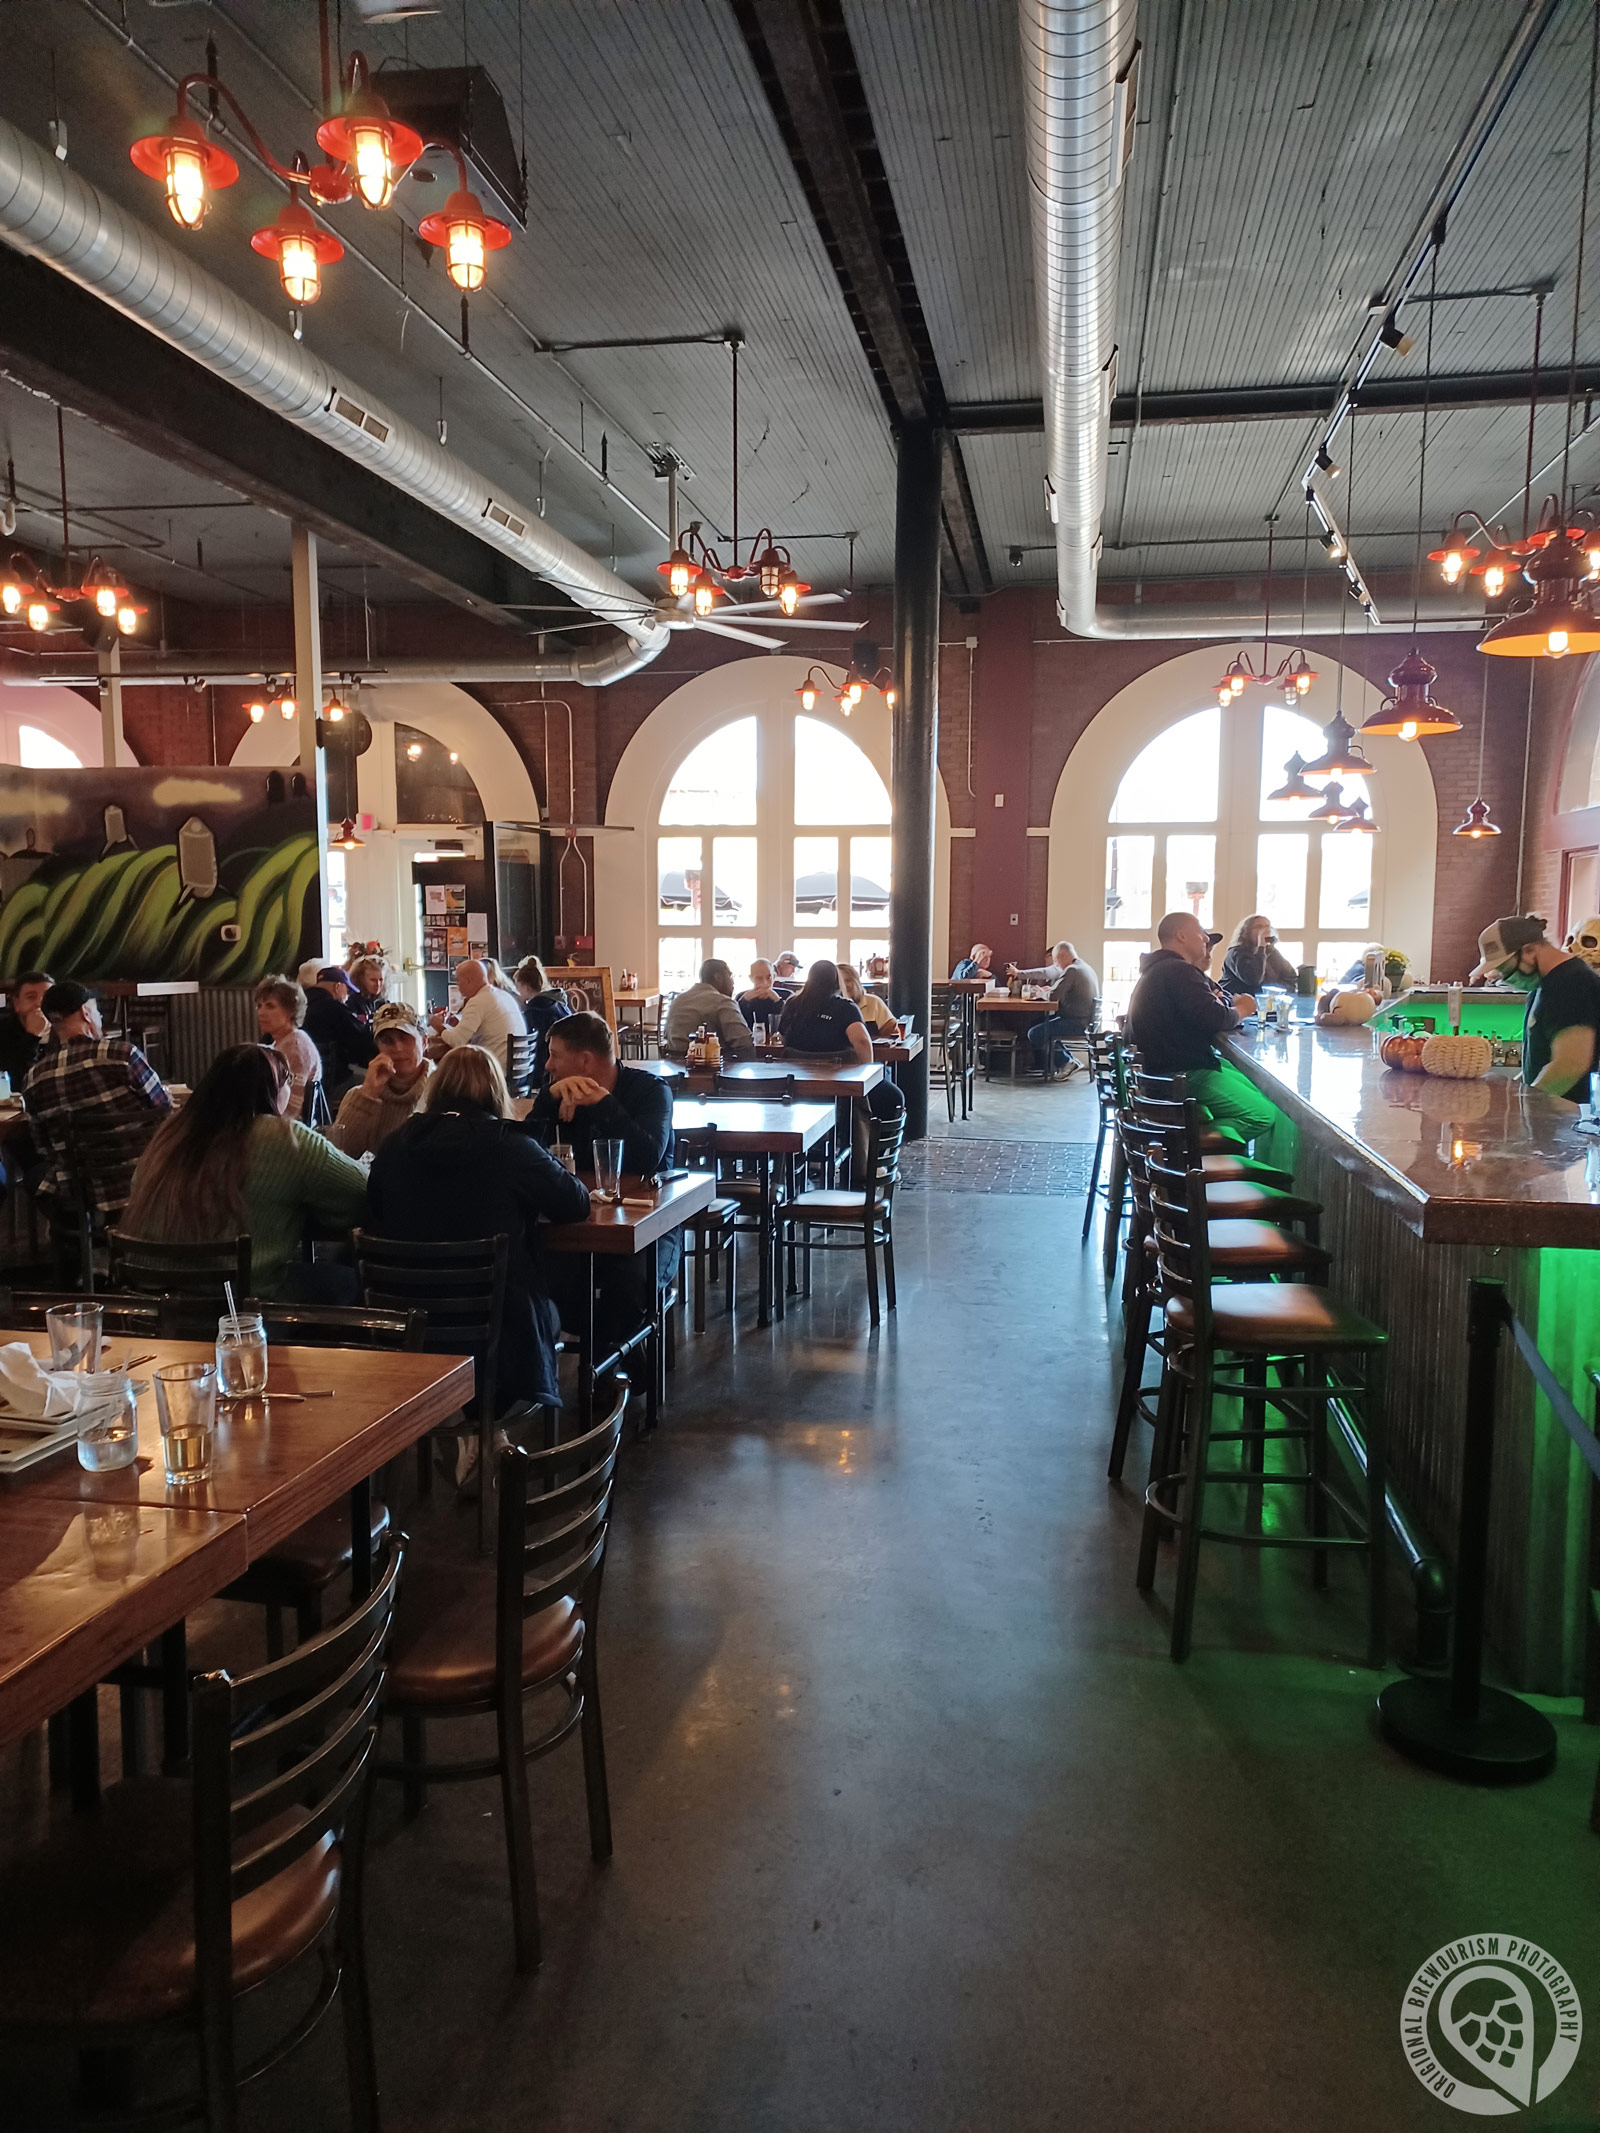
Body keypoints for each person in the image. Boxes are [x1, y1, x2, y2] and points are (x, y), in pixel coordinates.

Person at [367, 1046, 589, 1410]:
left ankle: (451, 1420)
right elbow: (575, 1202)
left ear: (436, 1090)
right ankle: (482, 1426)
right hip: (496, 1333)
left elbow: (374, 1211)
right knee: (550, 1310)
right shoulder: (511, 1146)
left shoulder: (395, 1144)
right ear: (495, 1091)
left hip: (404, 1325)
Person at [124, 1043, 367, 1300]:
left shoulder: (171, 1133)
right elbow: (365, 1193)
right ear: (273, 1088)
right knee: (349, 1279)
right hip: (242, 1311)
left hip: (153, 1307)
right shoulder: (285, 1138)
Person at [527, 1012, 675, 1347]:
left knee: (628, 1284)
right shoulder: (555, 1093)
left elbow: (647, 1158)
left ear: (585, 1060)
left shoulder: (651, 1091)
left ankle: (601, 1367)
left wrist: (604, 1104)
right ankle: (614, 1351)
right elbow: (526, 1153)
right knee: (539, 1274)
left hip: (650, 1229)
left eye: (555, 1055)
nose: (548, 1065)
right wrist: (548, 1102)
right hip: (575, 1226)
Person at [23, 980, 172, 1232]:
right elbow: (164, 1109)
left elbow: (43, 1146)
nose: (100, 1016)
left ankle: (86, 1251)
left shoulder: (35, 1078)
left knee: (37, 1178)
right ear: (85, 1012)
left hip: (82, 1189)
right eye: (97, 1010)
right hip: (145, 1177)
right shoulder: (124, 1055)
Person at [1125, 911, 1279, 1144]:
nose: (1206, 939)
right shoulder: (1178, 971)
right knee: (1261, 1115)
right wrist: (1243, 1010)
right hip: (1180, 1073)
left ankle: (1187, 1144)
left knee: (1262, 1093)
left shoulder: (1163, 969)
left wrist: (1226, 1005)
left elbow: (1219, 999)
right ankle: (1180, 1146)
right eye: (1200, 933)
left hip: (1165, 1070)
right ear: (1182, 936)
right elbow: (1216, 1016)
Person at [1473, 913, 1600, 1102]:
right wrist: (1518, 1091)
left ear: (1529, 950)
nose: (1507, 979)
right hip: (1552, 1118)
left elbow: (1570, 1065)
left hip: (1570, 1122)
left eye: (1506, 970)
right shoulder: (1541, 985)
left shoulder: (1572, 983)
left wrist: (1527, 1103)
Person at [330, 1001, 435, 1158]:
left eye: (405, 1038)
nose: (397, 1048)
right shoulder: (357, 1096)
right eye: (387, 1041)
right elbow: (339, 1157)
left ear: (425, 1041)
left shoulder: (441, 1093)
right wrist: (367, 1095)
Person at [429, 956, 526, 1073]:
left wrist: (437, 1025)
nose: (457, 986)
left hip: (495, 1072)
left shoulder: (478, 1001)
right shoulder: (503, 995)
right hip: (518, 1070)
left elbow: (457, 1041)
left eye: (458, 981)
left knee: (445, 1073)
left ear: (469, 981)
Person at [1018, 943, 1099, 1075]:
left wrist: (1040, 993)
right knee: (1035, 1024)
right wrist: (1049, 990)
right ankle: (1061, 1062)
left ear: (1063, 956)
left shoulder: (1071, 970)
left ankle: (1067, 1062)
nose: (1056, 965)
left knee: (1034, 1033)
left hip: (1076, 1022)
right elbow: (1061, 990)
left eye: (1056, 960)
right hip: (1085, 1020)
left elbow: (1054, 996)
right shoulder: (1084, 967)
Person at [255, 975, 323, 1120]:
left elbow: (293, 1109)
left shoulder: (295, 1046)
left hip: (289, 1131)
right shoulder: (280, 1042)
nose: (261, 1012)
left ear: (290, 1010)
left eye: (270, 1006)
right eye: (259, 1006)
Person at [777, 960, 874, 1061]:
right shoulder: (846, 1008)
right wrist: (868, 1072)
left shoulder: (792, 1004)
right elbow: (862, 1041)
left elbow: (783, 1038)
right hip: (838, 1074)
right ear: (837, 981)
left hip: (798, 1074)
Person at [301, 965, 377, 1094]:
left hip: (300, 1083)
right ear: (337, 987)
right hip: (331, 1084)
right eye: (347, 992)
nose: (347, 997)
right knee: (379, 1083)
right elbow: (363, 1045)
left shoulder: (298, 1005)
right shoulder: (335, 1009)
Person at [664, 958, 756, 1058]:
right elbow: (744, 1043)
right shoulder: (722, 1001)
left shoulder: (678, 1000)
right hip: (709, 1068)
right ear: (718, 977)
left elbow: (666, 1035)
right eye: (730, 976)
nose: (733, 982)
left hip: (674, 1066)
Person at [513, 955, 572, 1082]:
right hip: (569, 1066)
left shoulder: (534, 1013)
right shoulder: (559, 1003)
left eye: (518, 987)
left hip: (545, 1074)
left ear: (526, 987)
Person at [1221, 916, 1297, 999]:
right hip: (1238, 1005)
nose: (1265, 930)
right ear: (1247, 931)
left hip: (1266, 1004)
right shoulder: (1235, 953)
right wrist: (1260, 947)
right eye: (1259, 927)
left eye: (1267, 926)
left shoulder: (1271, 952)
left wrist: (1274, 991)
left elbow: (1291, 978)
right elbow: (1253, 979)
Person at [0, 969, 51, 1087]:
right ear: (17, 1004)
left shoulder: (65, 1028)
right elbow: (14, 1081)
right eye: (31, 997)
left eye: (47, 996)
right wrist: (32, 1036)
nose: (40, 1003)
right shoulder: (3, 1032)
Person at [839, 962, 900, 1035]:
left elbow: (892, 1033)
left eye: (848, 981)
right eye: (840, 982)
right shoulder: (830, 1007)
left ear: (857, 981)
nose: (844, 986)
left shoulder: (874, 1002)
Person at [738, 959, 787, 1038]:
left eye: (769, 977)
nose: (765, 983)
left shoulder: (786, 995)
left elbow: (791, 1024)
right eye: (759, 978)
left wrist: (778, 1001)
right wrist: (743, 1003)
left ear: (774, 976)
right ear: (751, 978)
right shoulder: (742, 998)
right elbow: (738, 1028)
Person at [346, 954, 387, 1028]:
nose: (378, 984)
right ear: (360, 979)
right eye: (373, 980)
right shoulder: (350, 1002)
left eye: (381, 980)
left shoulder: (382, 1002)